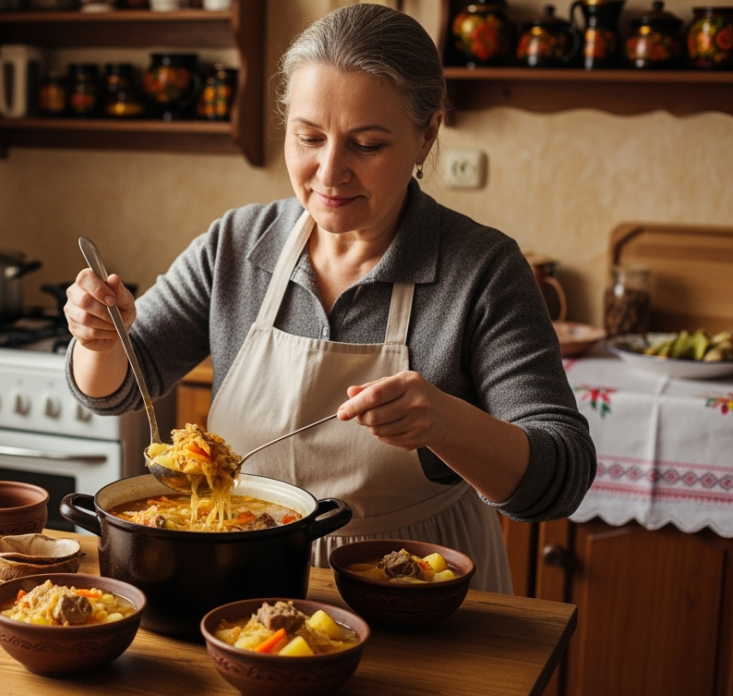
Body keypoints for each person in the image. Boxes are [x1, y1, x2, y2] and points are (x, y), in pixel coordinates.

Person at [62, 3, 595, 594]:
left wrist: (445, 422)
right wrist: (98, 338)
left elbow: (561, 476)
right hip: (247, 581)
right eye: (309, 138)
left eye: (366, 144)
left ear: (427, 136)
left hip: (419, 593)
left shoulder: (483, 270)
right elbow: (117, 388)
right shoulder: (238, 244)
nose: (330, 171)